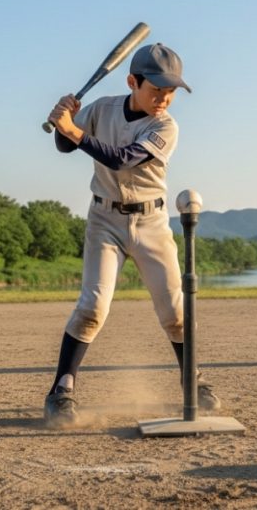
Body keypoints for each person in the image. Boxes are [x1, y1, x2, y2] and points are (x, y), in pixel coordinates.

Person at [43, 42, 220, 428]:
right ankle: (61, 390)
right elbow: (64, 145)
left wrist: (73, 131)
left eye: (171, 91)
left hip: (151, 222)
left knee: (175, 312)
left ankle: (194, 380)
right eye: (156, 88)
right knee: (92, 307)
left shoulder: (165, 126)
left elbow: (121, 160)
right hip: (104, 220)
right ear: (132, 82)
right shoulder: (103, 108)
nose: (164, 98)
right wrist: (63, 121)